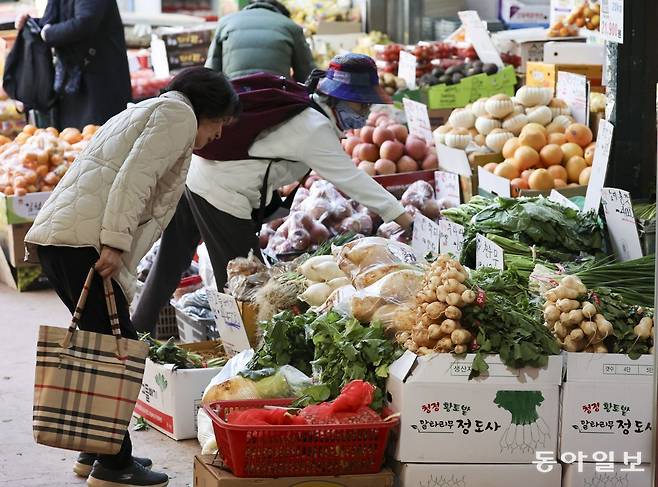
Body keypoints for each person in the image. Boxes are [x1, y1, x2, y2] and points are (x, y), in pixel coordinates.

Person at [24, 67, 240, 487]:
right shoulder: (178, 118)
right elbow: (134, 179)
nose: (218, 134)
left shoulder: (151, 110)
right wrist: (115, 242)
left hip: (67, 239)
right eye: (220, 123)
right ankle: (114, 464)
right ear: (207, 109)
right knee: (117, 347)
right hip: (84, 243)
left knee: (104, 344)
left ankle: (97, 449)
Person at [131, 53, 413, 332]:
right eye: (359, 104)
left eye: (366, 107)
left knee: (169, 263)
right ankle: (244, 357)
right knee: (245, 285)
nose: (363, 114)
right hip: (222, 193)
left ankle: (136, 334)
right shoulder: (315, 129)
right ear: (338, 98)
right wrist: (405, 220)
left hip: (197, 177)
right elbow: (353, 180)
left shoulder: (305, 107)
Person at [15, 0, 132, 130]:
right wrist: (32, 24)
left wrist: (47, 33)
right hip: (73, 82)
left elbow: (85, 22)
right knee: (72, 139)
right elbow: (54, 20)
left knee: (97, 138)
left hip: (97, 83)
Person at [206, 0, 315, 82]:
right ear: (283, 15)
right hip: (276, 95)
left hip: (235, 95)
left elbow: (211, 71)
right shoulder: (291, 26)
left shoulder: (225, 22)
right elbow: (306, 74)